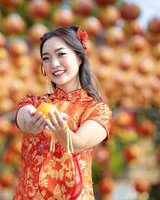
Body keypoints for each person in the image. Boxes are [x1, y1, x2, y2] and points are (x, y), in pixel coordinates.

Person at [13, 26, 112, 199]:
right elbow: (25, 118)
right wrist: (32, 123)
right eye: (46, 58)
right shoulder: (33, 103)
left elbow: (78, 143)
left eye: (61, 54)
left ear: (79, 57)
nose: (54, 64)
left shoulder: (97, 110)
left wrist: (62, 131)